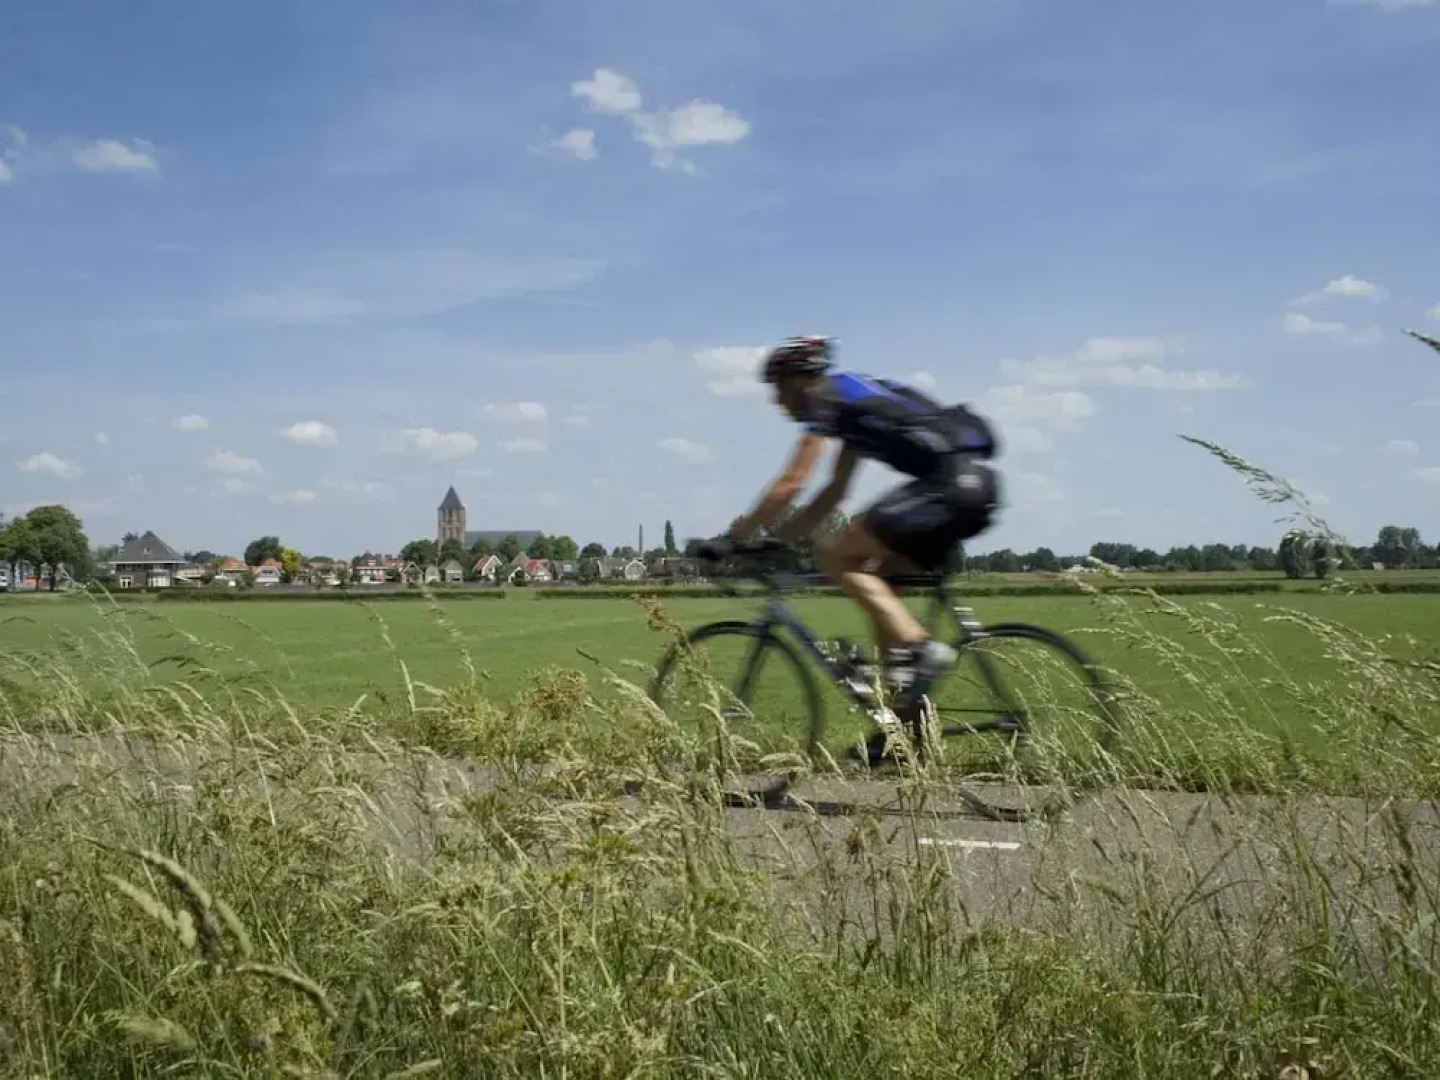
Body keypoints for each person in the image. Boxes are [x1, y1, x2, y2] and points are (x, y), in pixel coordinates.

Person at [695, 334, 1002, 766]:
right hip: (975, 487)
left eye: (779, 389)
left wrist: (734, 537)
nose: (778, 403)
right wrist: (777, 541)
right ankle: (903, 732)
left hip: (946, 487)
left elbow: (792, 483)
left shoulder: (828, 398)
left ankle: (918, 649)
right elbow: (833, 493)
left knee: (837, 556)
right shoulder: (856, 405)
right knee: (881, 584)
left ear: (803, 379)